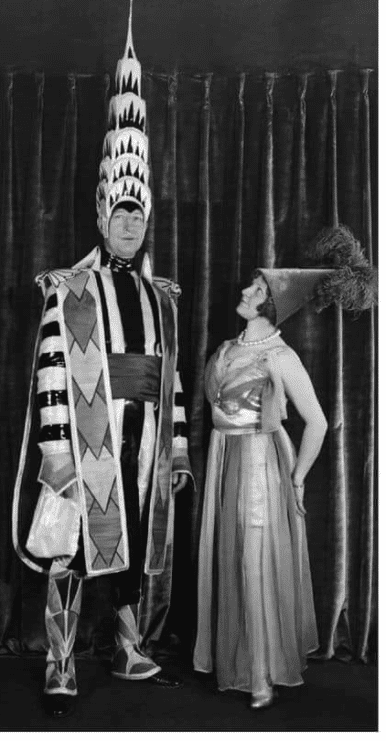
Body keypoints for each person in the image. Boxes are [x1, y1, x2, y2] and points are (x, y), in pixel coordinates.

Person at [13, 0, 191, 718]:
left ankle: (126, 647)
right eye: (120, 214)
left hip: (141, 439)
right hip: (87, 435)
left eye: (137, 216)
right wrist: (56, 450)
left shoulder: (161, 297)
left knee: (130, 549)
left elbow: (173, 379)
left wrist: (176, 448)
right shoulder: (71, 289)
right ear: (101, 214)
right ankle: (59, 662)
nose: (128, 224)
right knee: (70, 548)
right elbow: (52, 371)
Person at [193, 239, 376, 709]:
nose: (246, 291)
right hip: (223, 459)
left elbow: (317, 422)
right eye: (251, 285)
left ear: (273, 306)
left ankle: (261, 674)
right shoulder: (227, 348)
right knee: (234, 556)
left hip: (258, 463)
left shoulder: (280, 356)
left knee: (254, 558)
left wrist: (296, 478)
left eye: (257, 290)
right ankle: (241, 664)